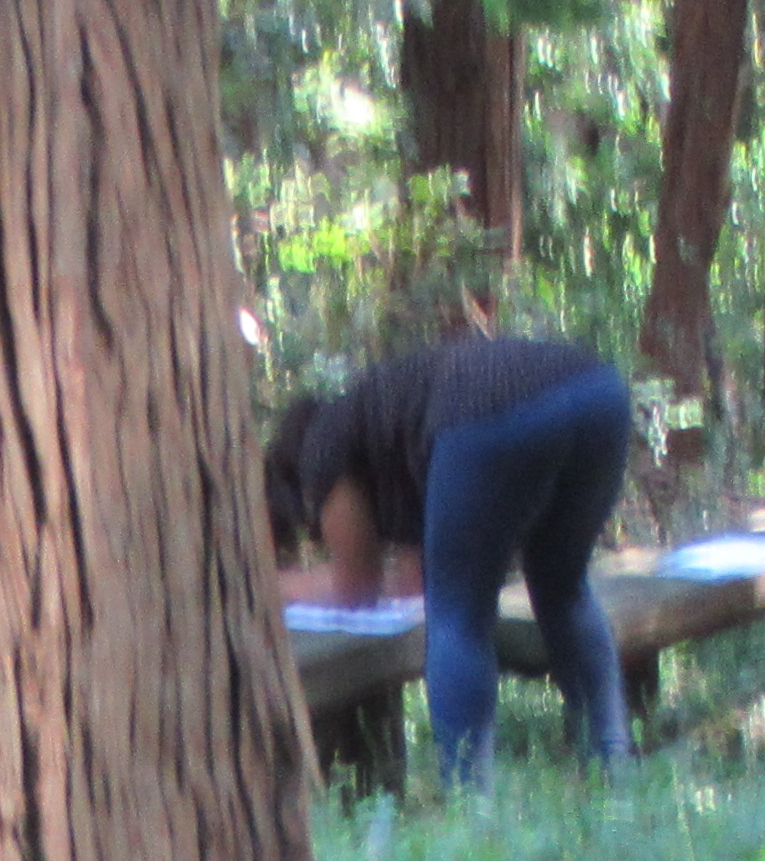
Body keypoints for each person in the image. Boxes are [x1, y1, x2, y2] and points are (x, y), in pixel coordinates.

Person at [264, 330, 635, 786]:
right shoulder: (386, 428)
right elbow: (411, 583)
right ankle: (614, 765)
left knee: (458, 616)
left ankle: (468, 799)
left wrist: (268, 587)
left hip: (491, 411)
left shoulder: (320, 448)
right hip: (599, 394)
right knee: (562, 588)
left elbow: (354, 587)